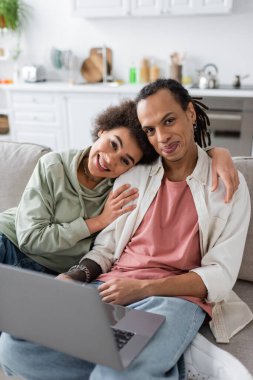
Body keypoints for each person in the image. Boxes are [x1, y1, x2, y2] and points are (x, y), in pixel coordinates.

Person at [0, 79, 250, 380]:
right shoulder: (135, 174)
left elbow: (220, 275)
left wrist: (144, 288)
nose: (162, 137)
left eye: (169, 120)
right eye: (150, 130)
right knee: (14, 346)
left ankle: (143, 365)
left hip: (173, 297)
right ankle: (168, 368)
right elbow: (105, 250)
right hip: (110, 285)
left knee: (117, 368)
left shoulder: (227, 183)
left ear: (191, 113)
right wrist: (73, 277)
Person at [0, 98, 237, 275]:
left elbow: (173, 156)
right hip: (9, 243)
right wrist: (98, 222)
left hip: (52, 273)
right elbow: (29, 238)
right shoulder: (53, 167)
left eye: (125, 160)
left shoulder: (124, 184)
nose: (111, 160)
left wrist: (217, 152)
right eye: (113, 144)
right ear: (102, 130)